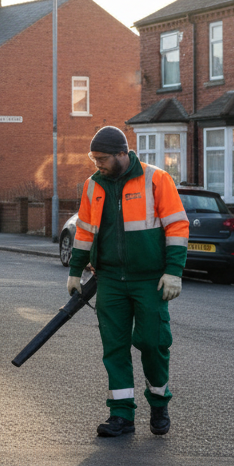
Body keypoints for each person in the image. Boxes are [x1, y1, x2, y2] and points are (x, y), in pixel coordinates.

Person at [68, 126, 188, 438]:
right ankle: (121, 415)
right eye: (94, 159)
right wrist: (74, 272)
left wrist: (173, 272)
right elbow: (83, 232)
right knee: (114, 348)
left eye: (103, 158)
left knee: (153, 342)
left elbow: (177, 226)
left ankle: (159, 403)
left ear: (123, 153)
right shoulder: (93, 185)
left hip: (149, 280)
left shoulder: (156, 179)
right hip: (109, 280)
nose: (98, 164)